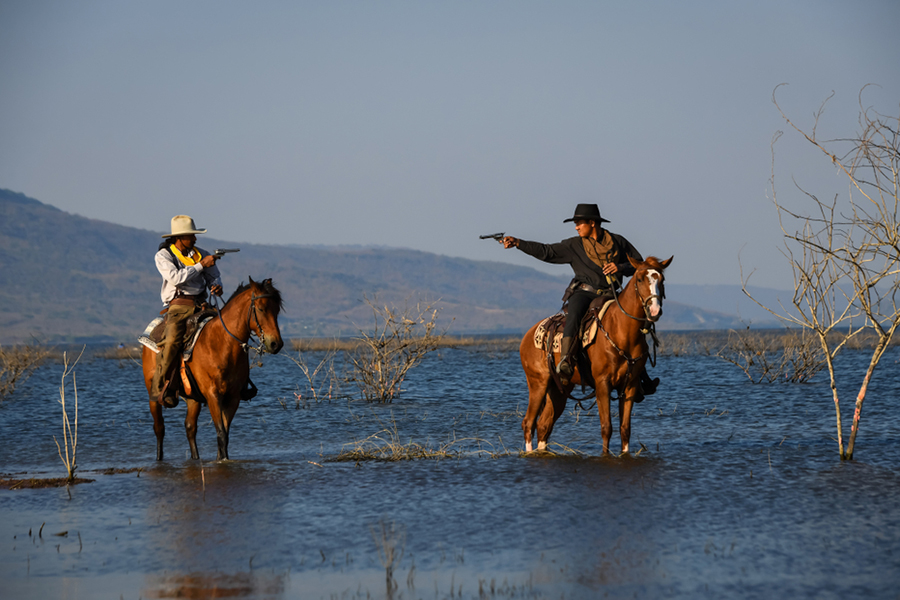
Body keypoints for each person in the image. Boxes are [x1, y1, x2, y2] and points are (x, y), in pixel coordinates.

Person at [501, 203, 658, 398]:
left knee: (631, 323)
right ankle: (566, 360)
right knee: (574, 314)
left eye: (579, 223)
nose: (576, 227)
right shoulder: (574, 245)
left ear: (592, 223)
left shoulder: (618, 242)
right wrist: (518, 243)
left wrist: (621, 267)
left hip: (611, 294)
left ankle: (641, 375)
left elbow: (639, 265)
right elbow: (547, 252)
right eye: (575, 224)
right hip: (584, 293)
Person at [151, 215, 223, 408]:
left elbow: (214, 276)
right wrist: (201, 265)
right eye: (191, 236)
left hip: (202, 303)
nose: (195, 239)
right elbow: (176, 278)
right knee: (173, 341)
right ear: (179, 238)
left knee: (229, 331)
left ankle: (237, 381)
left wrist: (216, 286)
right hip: (178, 307)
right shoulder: (164, 256)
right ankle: (162, 386)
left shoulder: (202, 254)